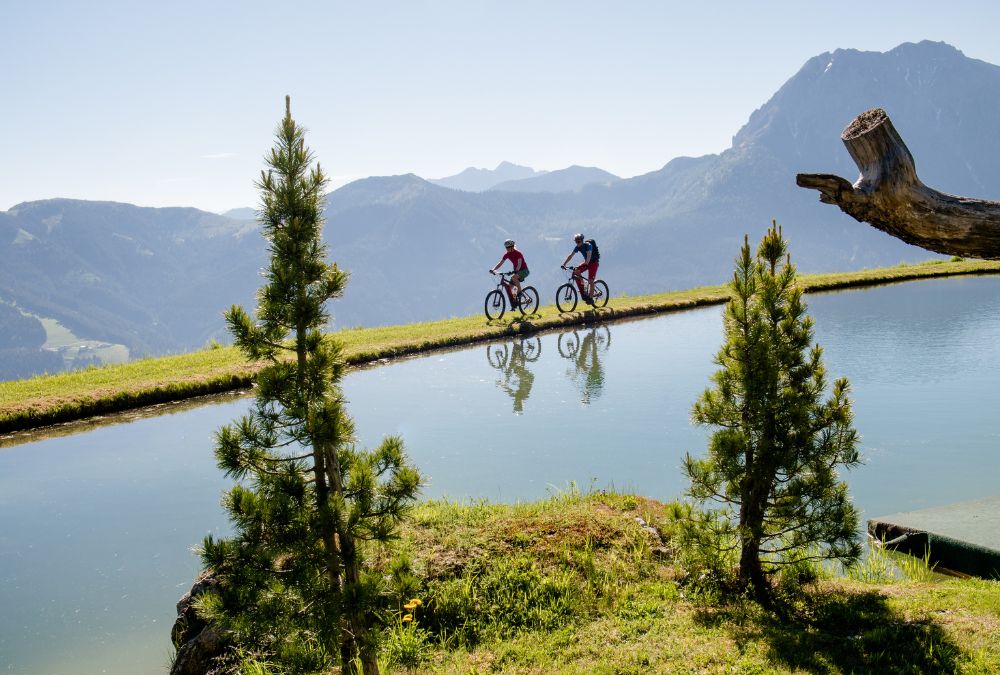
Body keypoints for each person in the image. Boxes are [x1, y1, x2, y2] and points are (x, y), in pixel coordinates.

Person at [561, 233, 599, 304]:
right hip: (586, 263)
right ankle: (583, 288)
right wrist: (564, 264)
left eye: (578, 241)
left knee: (591, 280)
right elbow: (571, 255)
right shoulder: (578, 247)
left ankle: (591, 298)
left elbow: (588, 259)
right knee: (576, 272)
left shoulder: (588, 246)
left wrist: (583, 264)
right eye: (576, 241)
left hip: (593, 263)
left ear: (582, 240)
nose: (577, 243)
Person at [490, 239, 529, 305]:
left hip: (524, 271)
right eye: (506, 248)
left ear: (512, 247)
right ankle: (516, 300)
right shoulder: (507, 254)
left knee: (514, 277)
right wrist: (493, 269)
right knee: (511, 285)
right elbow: (500, 263)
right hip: (516, 272)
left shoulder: (518, 253)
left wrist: (516, 270)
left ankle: (519, 293)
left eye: (508, 247)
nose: (507, 249)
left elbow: (519, 263)